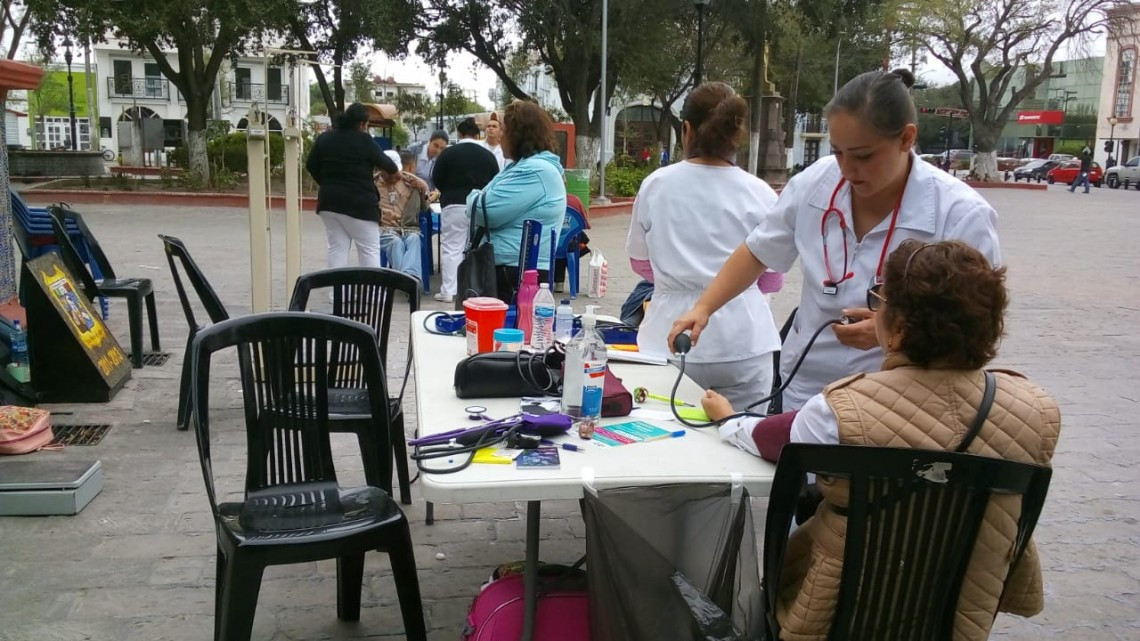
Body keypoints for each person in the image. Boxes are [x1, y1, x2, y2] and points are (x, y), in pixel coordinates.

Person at [703, 239, 1060, 641]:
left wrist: (728, 418)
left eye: (880, 301)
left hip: (838, 615)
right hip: (958, 615)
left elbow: (769, 437)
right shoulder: (1037, 410)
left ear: (899, 329)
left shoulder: (841, 411)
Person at [669, 68, 1001, 411]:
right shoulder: (816, 183)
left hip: (902, 402)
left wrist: (890, 333)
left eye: (863, 156)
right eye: (838, 152)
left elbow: (974, 330)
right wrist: (704, 308)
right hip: (806, 390)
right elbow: (758, 251)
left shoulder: (960, 214)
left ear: (906, 138)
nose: (847, 170)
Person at [626, 82, 781, 410]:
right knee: (742, 438)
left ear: (686, 129)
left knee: (664, 435)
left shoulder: (656, 185)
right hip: (745, 344)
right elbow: (771, 279)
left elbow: (640, 263)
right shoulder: (761, 193)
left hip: (670, 339)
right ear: (737, 134)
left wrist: (678, 279)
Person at [467, 100, 567, 303]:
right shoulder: (521, 167)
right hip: (511, 268)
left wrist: (473, 196)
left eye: (504, 130)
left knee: (505, 324)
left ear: (519, 134)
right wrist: (478, 197)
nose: (500, 136)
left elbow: (483, 210)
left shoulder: (535, 170)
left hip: (515, 273)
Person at [306, 102, 399, 269]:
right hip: (360, 205)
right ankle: (371, 287)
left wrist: (327, 183)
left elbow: (310, 165)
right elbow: (389, 166)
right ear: (362, 124)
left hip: (329, 203)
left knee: (337, 249)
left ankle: (336, 287)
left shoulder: (325, 138)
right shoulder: (364, 140)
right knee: (369, 250)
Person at [431, 117, 500, 303]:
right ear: (478, 135)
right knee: (475, 247)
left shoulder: (447, 153)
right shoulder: (488, 155)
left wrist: (448, 190)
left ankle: (449, 291)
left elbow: (436, 177)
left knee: (451, 247)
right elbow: (496, 181)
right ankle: (473, 289)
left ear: (459, 134)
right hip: (479, 205)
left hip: (453, 203)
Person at [377, 150, 428, 281]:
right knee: (395, 242)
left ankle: (407, 279)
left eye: (396, 171)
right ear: (382, 170)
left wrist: (423, 190)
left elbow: (424, 208)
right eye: (390, 172)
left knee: (414, 239)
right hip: (384, 229)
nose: (395, 175)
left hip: (408, 228)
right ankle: (408, 281)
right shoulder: (373, 184)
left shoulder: (411, 182)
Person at [413, 130, 449, 194]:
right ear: (429, 141)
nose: (438, 151)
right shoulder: (415, 151)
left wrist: (437, 192)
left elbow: (444, 179)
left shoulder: (444, 156)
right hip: (414, 190)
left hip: (431, 193)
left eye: (442, 148)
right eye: (436, 146)